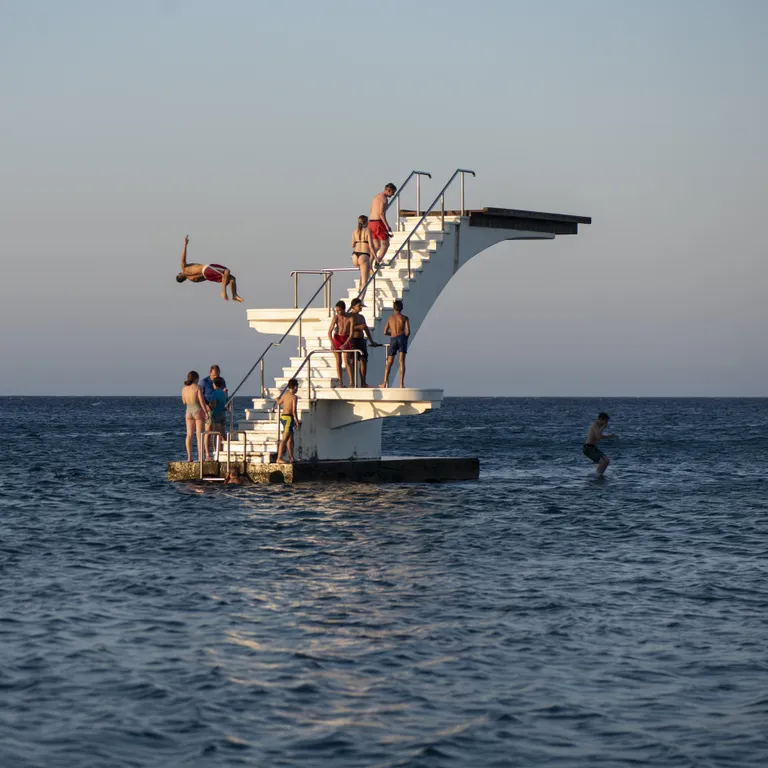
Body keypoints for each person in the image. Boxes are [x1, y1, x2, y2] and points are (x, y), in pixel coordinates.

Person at [175, 235, 243, 302]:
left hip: (208, 276)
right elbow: (183, 257)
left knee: (232, 278)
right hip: (206, 269)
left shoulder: (192, 279)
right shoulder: (184, 268)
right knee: (227, 271)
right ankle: (224, 292)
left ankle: (234, 295)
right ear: (180, 273)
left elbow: (205, 278)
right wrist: (185, 245)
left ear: (184, 280)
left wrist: (222, 279)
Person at [349, 298, 381, 387]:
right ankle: (352, 382)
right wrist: (357, 327)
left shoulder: (361, 317)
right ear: (353, 306)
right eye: (359, 306)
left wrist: (371, 341)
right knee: (352, 361)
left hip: (361, 341)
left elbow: (366, 329)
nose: (360, 308)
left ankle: (363, 382)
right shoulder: (349, 316)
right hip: (353, 340)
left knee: (363, 360)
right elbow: (347, 328)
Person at [381, 299, 410, 388]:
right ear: (401, 308)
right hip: (402, 338)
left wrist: (392, 333)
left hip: (393, 338)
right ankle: (401, 384)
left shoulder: (390, 318)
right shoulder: (404, 318)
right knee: (401, 362)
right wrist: (404, 339)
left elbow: (385, 332)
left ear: (394, 308)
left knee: (389, 362)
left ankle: (384, 382)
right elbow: (408, 332)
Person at [181, 370, 209, 462]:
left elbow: (184, 402)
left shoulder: (184, 389)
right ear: (196, 379)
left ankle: (189, 457)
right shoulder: (197, 387)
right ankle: (200, 457)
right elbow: (201, 401)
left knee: (189, 435)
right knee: (199, 435)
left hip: (188, 412)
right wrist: (206, 412)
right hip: (197, 410)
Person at [327, 300, 355, 387]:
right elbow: (329, 331)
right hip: (337, 338)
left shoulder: (350, 318)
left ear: (343, 309)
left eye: (339, 310)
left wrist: (346, 343)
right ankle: (340, 382)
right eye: (336, 310)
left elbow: (351, 333)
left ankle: (351, 382)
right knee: (338, 361)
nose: (338, 312)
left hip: (346, 338)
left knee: (347, 361)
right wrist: (332, 343)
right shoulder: (336, 318)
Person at [201, 365, 228, 455]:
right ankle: (208, 453)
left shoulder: (221, 380)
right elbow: (200, 396)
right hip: (209, 408)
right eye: (214, 375)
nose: (216, 377)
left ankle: (217, 450)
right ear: (210, 373)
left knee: (218, 431)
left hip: (218, 409)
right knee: (208, 431)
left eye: (217, 375)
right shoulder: (204, 382)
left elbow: (224, 393)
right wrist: (205, 406)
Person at [369, 183, 396, 266]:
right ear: (388, 190)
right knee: (386, 244)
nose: (393, 195)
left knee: (376, 246)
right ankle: (378, 261)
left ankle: (369, 263)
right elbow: (381, 213)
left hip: (371, 222)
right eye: (392, 193)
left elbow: (371, 209)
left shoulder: (376, 196)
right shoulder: (384, 199)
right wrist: (387, 226)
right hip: (378, 222)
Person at [351, 215, 376, 301]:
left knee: (362, 271)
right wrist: (376, 257)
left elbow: (352, 245)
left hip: (354, 256)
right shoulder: (367, 231)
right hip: (364, 256)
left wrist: (358, 241)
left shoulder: (354, 232)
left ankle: (359, 287)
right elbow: (371, 246)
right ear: (366, 222)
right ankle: (360, 300)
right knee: (365, 281)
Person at [276, 378, 301, 464]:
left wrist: (277, 399)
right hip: (288, 419)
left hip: (283, 417)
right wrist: (297, 421)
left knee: (290, 439)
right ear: (294, 387)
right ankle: (279, 458)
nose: (297, 389)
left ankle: (291, 458)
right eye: (297, 387)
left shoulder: (285, 394)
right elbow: (294, 411)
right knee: (285, 439)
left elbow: (279, 402)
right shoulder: (294, 397)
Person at [207, 377, 228, 459]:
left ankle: (216, 450)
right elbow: (226, 401)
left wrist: (209, 406)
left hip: (216, 414)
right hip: (223, 413)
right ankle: (225, 447)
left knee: (216, 433)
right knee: (222, 432)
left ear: (214, 385)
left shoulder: (214, 393)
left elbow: (214, 404)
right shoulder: (223, 393)